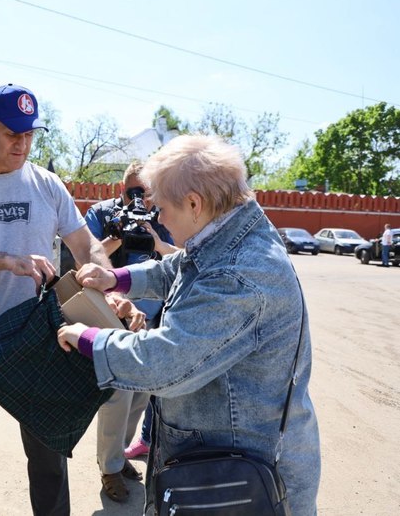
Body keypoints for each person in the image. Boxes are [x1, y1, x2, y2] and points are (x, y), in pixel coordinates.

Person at [57, 135, 321, 516]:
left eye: (162, 209)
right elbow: (179, 267)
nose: (158, 220)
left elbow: (165, 364)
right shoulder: (230, 233)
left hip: (243, 482)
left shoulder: (241, 276)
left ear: (195, 204)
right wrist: (117, 278)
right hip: (222, 464)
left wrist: (90, 339)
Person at [0, 83, 115, 516]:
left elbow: (87, 246)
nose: (22, 143)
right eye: (12, 133)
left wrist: (103, 276)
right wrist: (8, 261)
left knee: (49, 455)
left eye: (29, 134)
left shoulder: (48, 185)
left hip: (36, 337)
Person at [83, 161, 176, 502]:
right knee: (118, 395)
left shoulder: (161, 218)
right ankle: (108, 468)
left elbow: (174, 260)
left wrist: (154, 236)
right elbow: (84, 259)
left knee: (141, 393)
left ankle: (119, 454)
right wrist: (117, 234)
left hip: (150, 318)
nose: (139, 199)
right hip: (110, 313)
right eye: (132, 191)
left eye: (145, 193)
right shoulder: (102, 213)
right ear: (120, 190)